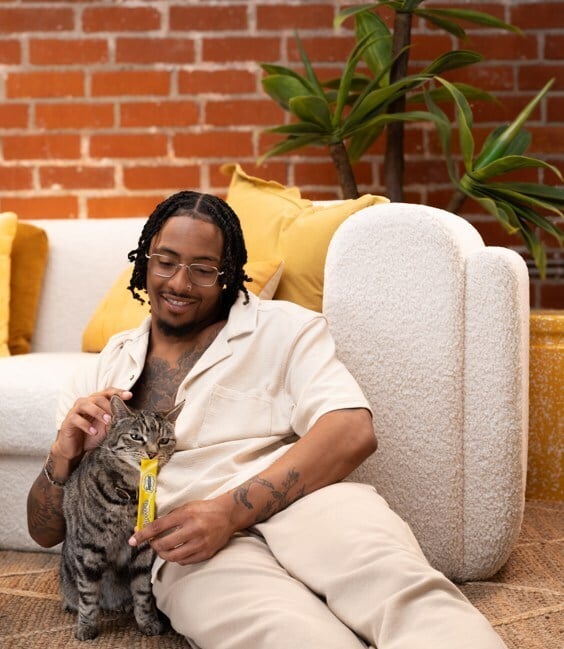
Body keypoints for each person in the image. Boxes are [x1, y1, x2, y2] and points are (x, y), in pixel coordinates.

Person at [26, 190, 505, 648]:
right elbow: (46, 532)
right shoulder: (104, 366)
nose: (178, 283)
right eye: (166, 262)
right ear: (144, 262)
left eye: (202, 269)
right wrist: (61, 457)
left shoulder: (285, 328)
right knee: (288, 635)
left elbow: (352, 430)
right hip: (187, 547)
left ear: (229, 273)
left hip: (311, 506)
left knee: (403, 594)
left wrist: (230, 511)